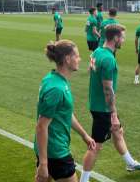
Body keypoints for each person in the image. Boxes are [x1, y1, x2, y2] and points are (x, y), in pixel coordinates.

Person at [80, 24, 140, 182]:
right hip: (103, 109)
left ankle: (131, 163)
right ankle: (83, 180)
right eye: (122, 37)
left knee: (118, 132)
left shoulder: (98, 52)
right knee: (95, 146)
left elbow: (92, 72)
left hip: (96, 104)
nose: (124, 40)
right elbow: (108, 90)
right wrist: (113, 114)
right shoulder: (109, 59)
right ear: (115, 38)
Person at [34, 40, 96, 182]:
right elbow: (41, 126)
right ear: (67, 59)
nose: (79, 59)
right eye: (77, 56)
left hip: (49, 149)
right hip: (56, 151)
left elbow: (65, 114)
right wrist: (44, 164)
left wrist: (84, 135)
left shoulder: (53, 79)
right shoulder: (57, 88)